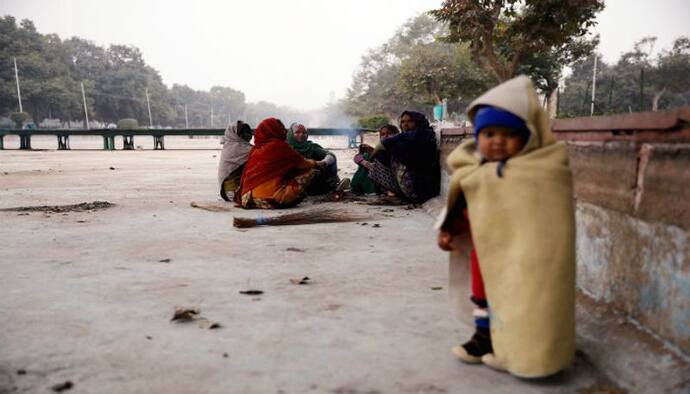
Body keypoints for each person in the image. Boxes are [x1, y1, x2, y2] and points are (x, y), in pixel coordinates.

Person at [437, 75, 576, 378]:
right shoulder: (473, 170)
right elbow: (462, 205)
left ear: (528, 136)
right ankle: (485, 337)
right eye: (488, 133)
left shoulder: (545, 169)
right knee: (484, 295)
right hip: (484, 252)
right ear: (477, 136)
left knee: (526, 298)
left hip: (529, 256)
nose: (497, 140)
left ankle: (527, 351)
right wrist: (450, 230)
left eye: (508, 134)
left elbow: (549, 218)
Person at [356, 111, 439, 203]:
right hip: (414, 186)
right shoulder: (406, 138)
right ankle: (391, 193)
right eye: (403, 122)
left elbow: (388, 144)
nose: (405, 124)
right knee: (379, 158)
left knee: (379, 160)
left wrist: (377, 150)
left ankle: (392, 194)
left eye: (410, 121)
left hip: (420, 188)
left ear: (418, 122)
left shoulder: (422, 134)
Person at [234, 118, 318, 209]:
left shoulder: (255, 149)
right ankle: (281, 198)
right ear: (274, 130)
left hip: (247, 199)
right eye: (281, 128)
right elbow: (303, 164)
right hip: (269, 200)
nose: (284, 130)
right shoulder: (280, 146)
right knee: (309, 171)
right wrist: (317, 163)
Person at [287, 123, 345, 195]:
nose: (301, 135)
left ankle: (333, 185)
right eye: (297, 132)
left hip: (311, 180)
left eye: (304, 133)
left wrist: (323, 162)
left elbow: (331, 155)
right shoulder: (284, 148)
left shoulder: (311, 147)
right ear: (291, 134)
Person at [351, 124, 399, 195]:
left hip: (394, 180)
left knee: (372, 160)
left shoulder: (400, 146)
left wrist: (373, 155)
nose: (385, 136)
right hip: (381, 177)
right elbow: (357, 157)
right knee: (366, 157)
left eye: (389, 133)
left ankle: (367, 189)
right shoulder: (380, 147)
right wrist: (365, 162)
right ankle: (360, 187)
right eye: (383, 134)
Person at [217, 120, 253, 201]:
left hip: (227, 190)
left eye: (248, 134)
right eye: (243, 133)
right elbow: (259, 154)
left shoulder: (229, 145)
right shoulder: (238, 147)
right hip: (233, 190)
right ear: (234, 134)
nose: (247, 136)